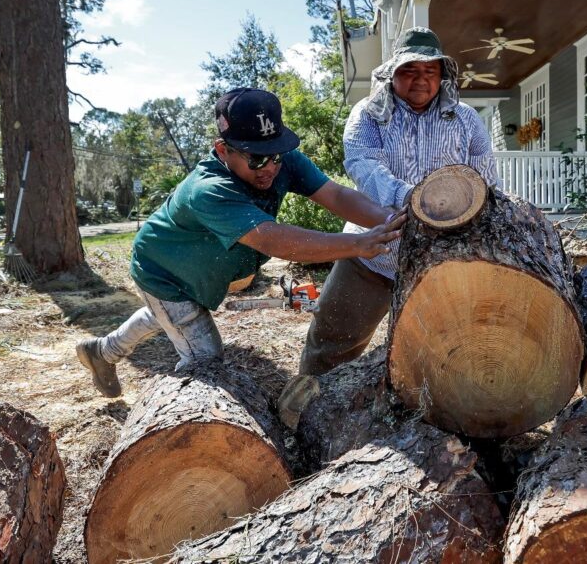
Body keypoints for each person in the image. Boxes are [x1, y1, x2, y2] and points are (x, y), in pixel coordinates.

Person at [76, 88, 404, 397]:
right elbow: (273, 240)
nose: (270, 168)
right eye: (256, 159)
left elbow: (335, 194)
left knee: (163, 316)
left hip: (198, 271)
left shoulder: (279, 159)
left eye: (275, 155)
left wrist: (388, 221)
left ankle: (102, 351)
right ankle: (185, 419)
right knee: (204, 359)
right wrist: (358, 244)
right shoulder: (209, 189)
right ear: (223, 150)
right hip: (164, 273)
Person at [297, 27, 499, 376]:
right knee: (333, 340)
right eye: (409, 70)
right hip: (373, 252)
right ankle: (305, 406)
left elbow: (485, 177)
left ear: (442, 76)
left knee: (448, 353)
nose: (420, 79)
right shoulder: (369, 114)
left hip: (444, 259)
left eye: (429, 71)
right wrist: (410, 197)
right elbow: (363, 165)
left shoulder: (465, 119)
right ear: (392, 73)